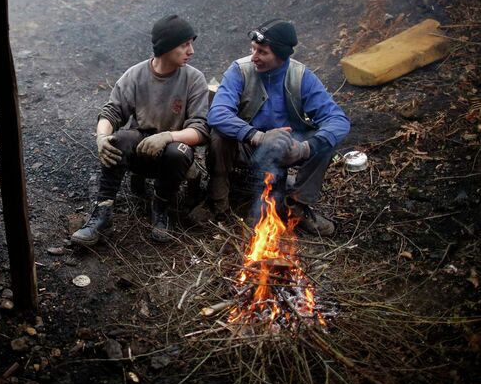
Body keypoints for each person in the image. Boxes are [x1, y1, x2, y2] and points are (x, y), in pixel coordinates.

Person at [71, 14, 210, 246]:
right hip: (141, 148)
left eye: (191, 44)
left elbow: (200, 129)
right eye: (185, 44)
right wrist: (102, 137)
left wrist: (167, 136)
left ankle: (161, 207)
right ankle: (102, 215)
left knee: (177, 152)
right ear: (166, 46)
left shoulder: (194, 79)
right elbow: (111, 113)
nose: (191, 51)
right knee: (118, 140)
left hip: (174, 149)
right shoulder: (135, 75)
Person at [206, 19, 350, 235]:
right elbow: (217, 113)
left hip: (287, 149)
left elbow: (338, 120)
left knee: (326, 139)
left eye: (262, 52)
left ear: (282, 55)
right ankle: (218, 200)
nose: (254, 56)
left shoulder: (301, 76)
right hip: (247, 144)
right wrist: (258, 137)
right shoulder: (240, 70)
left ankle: (297, 206)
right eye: (253, 49)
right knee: (219, 134)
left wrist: (306, 148)